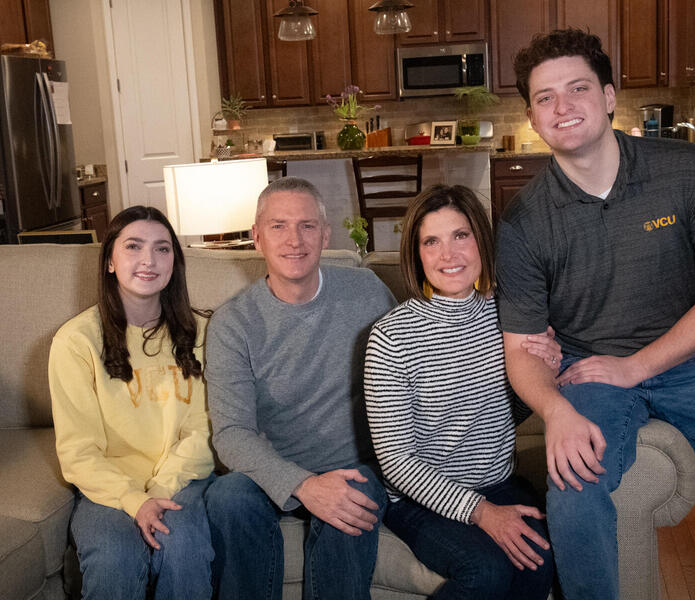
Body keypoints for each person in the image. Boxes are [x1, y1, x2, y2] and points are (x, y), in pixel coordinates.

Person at [495, 28, 695, 599]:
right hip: (586, 371)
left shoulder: (686, 172)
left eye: (578, 88)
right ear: (533, 118)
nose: (563, 107)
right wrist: (556, 411)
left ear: (610, 97)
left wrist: (636, 366)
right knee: (576, 498)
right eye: (544, 97)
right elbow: (521, 348)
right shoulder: (524, 221)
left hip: (682, 363)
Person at [203, 177, 396, 599]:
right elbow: (232, 434)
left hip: (354, 465)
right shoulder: (233, 324)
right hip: (271, 469)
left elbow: (417, 360)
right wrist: (304, 486)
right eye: (278, 226)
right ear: (257, 237)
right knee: (226, 497)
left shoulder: (367, 294)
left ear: (326, 235)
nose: (294, 239)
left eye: (308, 226)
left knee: (351, 499)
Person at [364, 184, 555, 599]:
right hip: (419, 500)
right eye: (431, 241)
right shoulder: (391, 337)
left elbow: (506, 414)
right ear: (417, 255)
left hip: (499, 483)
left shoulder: (509, 316)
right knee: (485, 572)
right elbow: (396, 462)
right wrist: (482, 513)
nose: (447, 255)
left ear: (482, 242)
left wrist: (545, 373)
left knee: (537, 563)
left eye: (460, 236)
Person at [49, 206, 216, 599]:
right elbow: (79, 451)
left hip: (184, 479)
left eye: (162, 249)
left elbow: (205, 429)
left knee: (184, 548)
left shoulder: (204, 332)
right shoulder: (75, 342)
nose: (148, 260)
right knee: (113, 560)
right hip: (107, 488)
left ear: (175, 261)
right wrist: (134, 500)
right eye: (134, 247)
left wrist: (158, 490)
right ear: (110, 260)